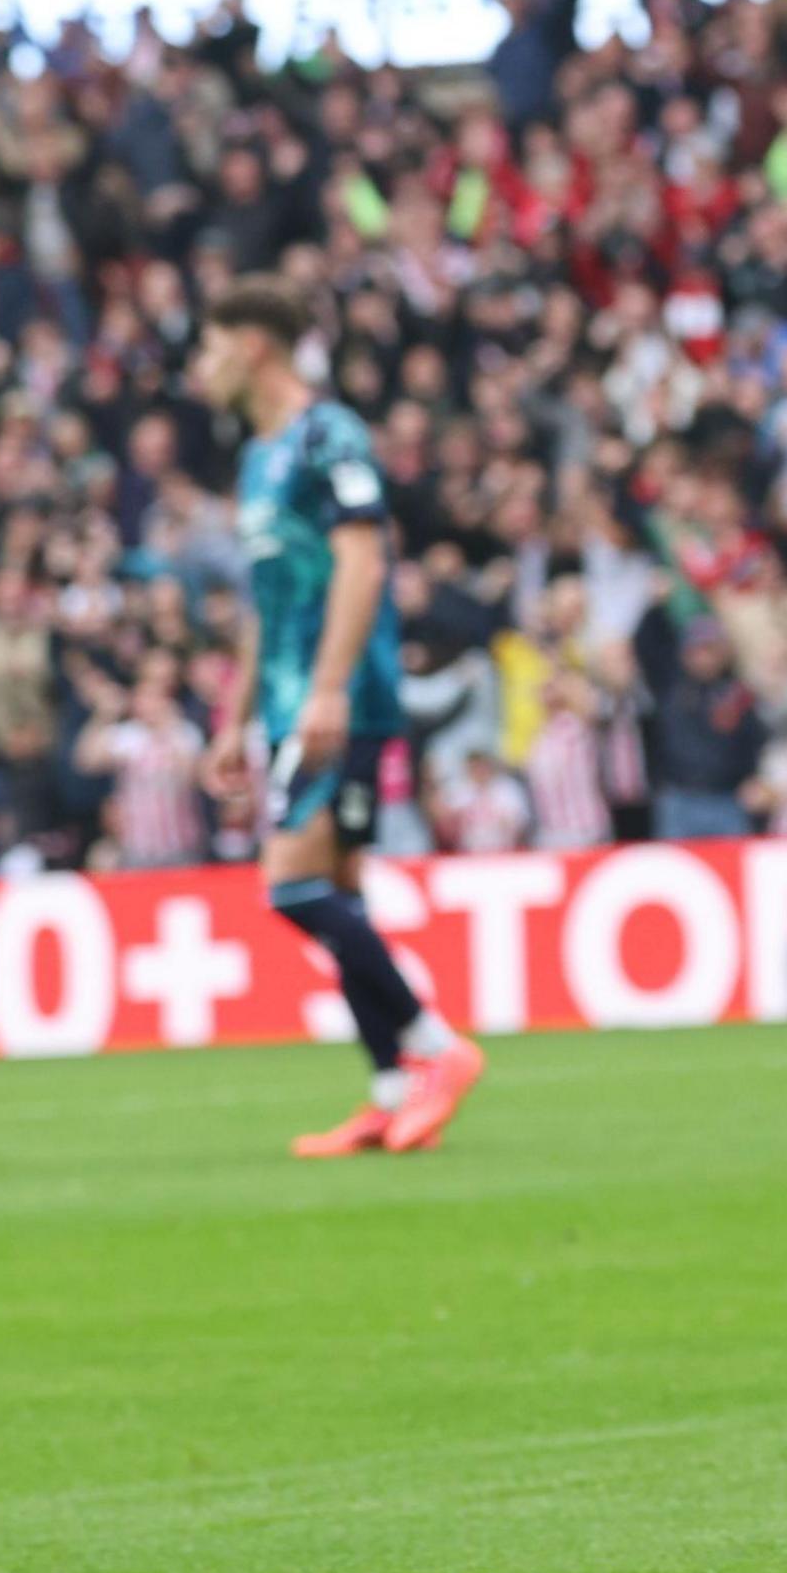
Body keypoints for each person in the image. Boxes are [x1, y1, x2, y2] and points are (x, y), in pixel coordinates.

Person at [189, 279, 486, 1160]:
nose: (197, 370)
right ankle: (392, 1094)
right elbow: (266, 598)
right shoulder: (255, 458)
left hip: (342, 698)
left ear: (253, 348)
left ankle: (437, 1047)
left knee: (290, 886)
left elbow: (364, 564)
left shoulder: (329, 435)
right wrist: (233, 716)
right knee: (340, 892)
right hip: (287, 701)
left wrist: (327, 689)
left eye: (208, 350)